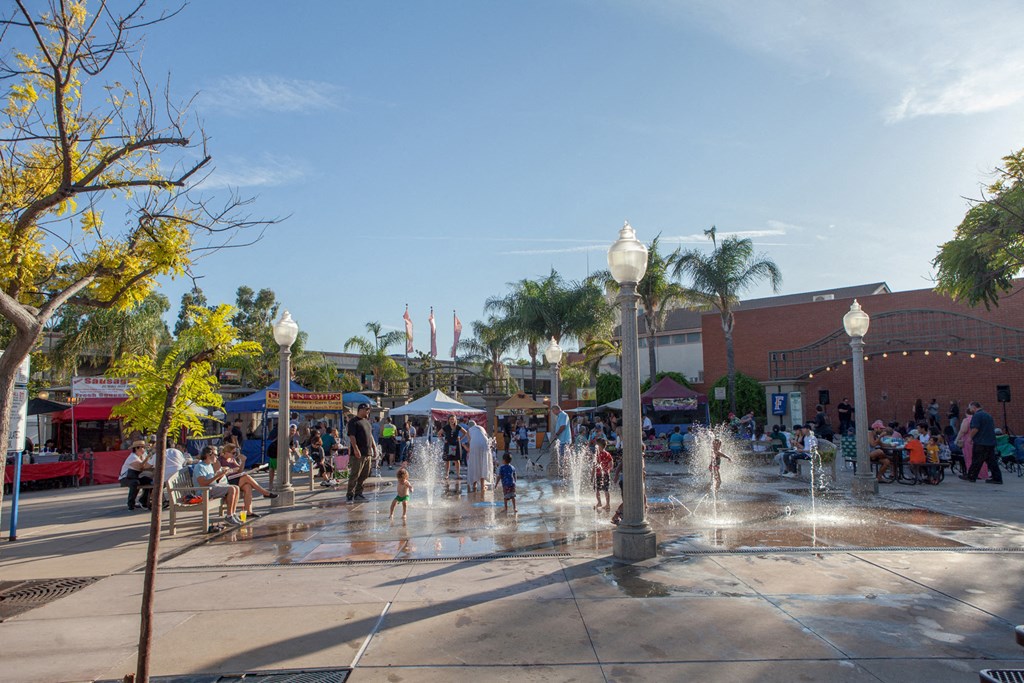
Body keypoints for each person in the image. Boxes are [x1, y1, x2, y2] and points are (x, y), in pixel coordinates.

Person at [218, 442, 277, 516]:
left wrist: (243, 461)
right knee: (246, 477)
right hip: (226, 481)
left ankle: (248, 511)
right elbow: (218, 474)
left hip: (235, 478)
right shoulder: (220, 460)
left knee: (247, 486)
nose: (234, 455)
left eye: (235, 453)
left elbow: (240, 470)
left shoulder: (232, 459)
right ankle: (265, 493)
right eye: (233, 453)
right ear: (226, 452)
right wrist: (230, 471)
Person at [193, 445, 242, 526]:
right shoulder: (200, 466)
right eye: (215, 455)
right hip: (204, 492)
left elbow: (212, 481)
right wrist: (217, 476)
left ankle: (232, 514)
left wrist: (221, 475)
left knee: (236, 487)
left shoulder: (209, 465)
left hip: (211, 488)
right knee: (231, 489)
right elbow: (203, 483)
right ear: (208, 455)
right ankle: (229, 516)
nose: (217, 456)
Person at [961, 401, 1003, 484]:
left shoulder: (977, 415)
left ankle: (971, 476)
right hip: (990, 442)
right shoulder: (988, 415)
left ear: (974, 407)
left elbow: (975, 428)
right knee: (991, 461)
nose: (970, 410)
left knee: (976, 460)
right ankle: (997, 478)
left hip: (981, 442)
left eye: (970, 408)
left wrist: (970, 438)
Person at [347, 403, 376, 502]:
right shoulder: (353, 422)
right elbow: (352, 436)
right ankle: (350, 494)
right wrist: (355, 449)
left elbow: (370, 436)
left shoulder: (367, 422)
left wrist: (374, 448)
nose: (368, 411)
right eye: (367, 410)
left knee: (365, 474)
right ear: (361, 410)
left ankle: (359, 493)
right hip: (358, 454)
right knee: (355, 474)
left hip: (367, 453)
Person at [119, 441, 154, 511]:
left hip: (136, 476)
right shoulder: (132, 457)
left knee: (150, 481)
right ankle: (130, 504)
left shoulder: (142, 456)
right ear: (137, 448)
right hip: (126, 478)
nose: (145, 449)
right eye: (143, 448)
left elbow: (147, 466)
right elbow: (140, 467)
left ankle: (143, 500)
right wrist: (148, 457)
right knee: (135, 483)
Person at [466, 419, 493, 494]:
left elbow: (469, 441)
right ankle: (482, 486)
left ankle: (474, 485)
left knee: (475, 464)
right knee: (483, 465)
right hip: (485, 445)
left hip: (475, 445)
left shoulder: (469, 430)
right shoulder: (481, 427)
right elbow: (487, 437)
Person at [439, 414, 467, 484]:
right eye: (450, 419)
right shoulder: (446, 427)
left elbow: (465, 432)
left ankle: (458, 474)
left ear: (455, 420)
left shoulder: (457, 426)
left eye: (453, 419)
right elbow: (439, 433)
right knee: (447, 460)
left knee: (457, 460)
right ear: (448, 420)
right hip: (448, 444)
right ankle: (447, 474)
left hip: (456, 444)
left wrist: (460, 439)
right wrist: (443, 440)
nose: (452, 420)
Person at [593, 437, 613, 510]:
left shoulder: (597, 455)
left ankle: (599, 502)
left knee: (597, 490)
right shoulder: (607, 454)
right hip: (606, 474)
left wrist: (592, 475)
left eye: (596, 445)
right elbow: (611, 464)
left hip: (598, 475)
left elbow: (594, 466)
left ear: (599, 446)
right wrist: (608, 469)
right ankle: (607, 504)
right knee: (606, 490)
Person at [552, 404, 571, 470]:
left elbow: (563, 426)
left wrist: (557, 434)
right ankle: (563, 471)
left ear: (556, 410)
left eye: (553, 411)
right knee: (562, 457)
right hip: (561, 440)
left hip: (564, 440)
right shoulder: (560, 416)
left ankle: (565, 471)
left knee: (563, 457)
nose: (553, 413)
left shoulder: (563, 415)